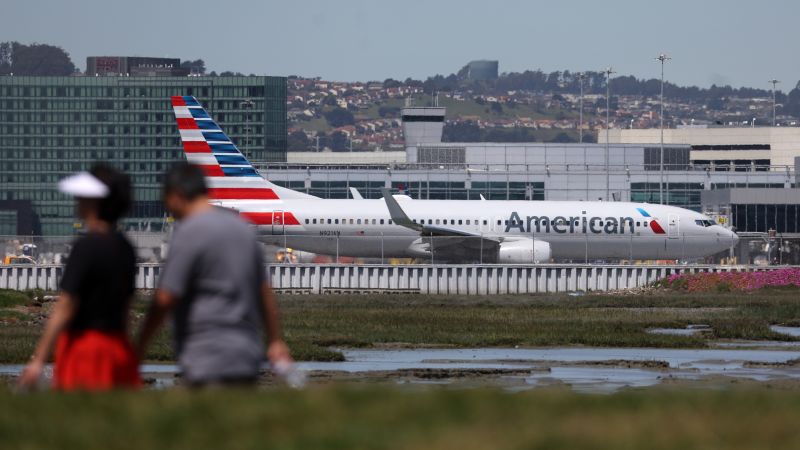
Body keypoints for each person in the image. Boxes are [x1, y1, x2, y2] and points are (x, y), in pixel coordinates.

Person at [136, 164, 292, 387]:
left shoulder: (189, 232)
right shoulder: (241, 229)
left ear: (176, 196)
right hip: (246, 354)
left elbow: (165, 297)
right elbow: (264, 293)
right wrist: (275, 340)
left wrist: (140, 346)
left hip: (205, 354)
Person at [19, 165, 140, 391]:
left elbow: (66, 304)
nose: (77, 201)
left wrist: (38, 360)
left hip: (84, 347)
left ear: (95, 202)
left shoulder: (85, 247)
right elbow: (125, 305)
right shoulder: (125, 247)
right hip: (117, 345)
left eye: (82, 197)